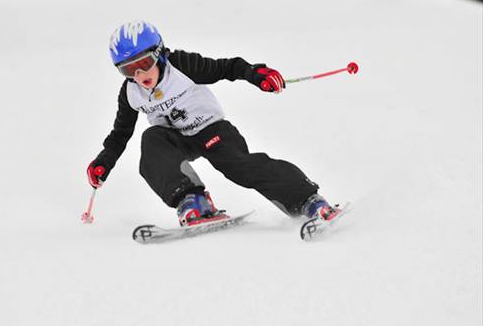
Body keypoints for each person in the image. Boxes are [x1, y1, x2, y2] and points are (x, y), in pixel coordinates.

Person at [87, 20, 340, 227]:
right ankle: (193, 202)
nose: (140, 76)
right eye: (128, 70)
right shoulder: (130, 93)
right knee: (151, 140)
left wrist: (257, 74)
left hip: (212, 131)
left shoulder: (182, 66)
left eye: (143, 64)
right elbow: (120, 134)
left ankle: (308, 201)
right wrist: (103, 162)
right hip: (176, 139)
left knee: (240, 167)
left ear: (160, 54)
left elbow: (228, 68)